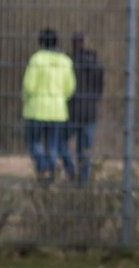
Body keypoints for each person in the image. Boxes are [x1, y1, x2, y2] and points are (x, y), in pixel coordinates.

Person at [22, 27, 76, 184]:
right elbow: (70, 87)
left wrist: (26, 98)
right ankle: (51, 173)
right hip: (58, 111)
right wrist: (60, 98)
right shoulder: (66, 61)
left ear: (41, 42)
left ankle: (43, 167)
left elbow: (28, 85)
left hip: (36, 109)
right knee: (52, 145)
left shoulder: (37, 59)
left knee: (34, 142)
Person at [67, 32, 105, 184]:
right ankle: (83, 180)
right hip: (90, 111)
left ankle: (71, 170)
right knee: (85, 148)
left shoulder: (69, 62)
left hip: (73, 110)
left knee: (61, 141)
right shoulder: (96, 64)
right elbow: (100, 88)